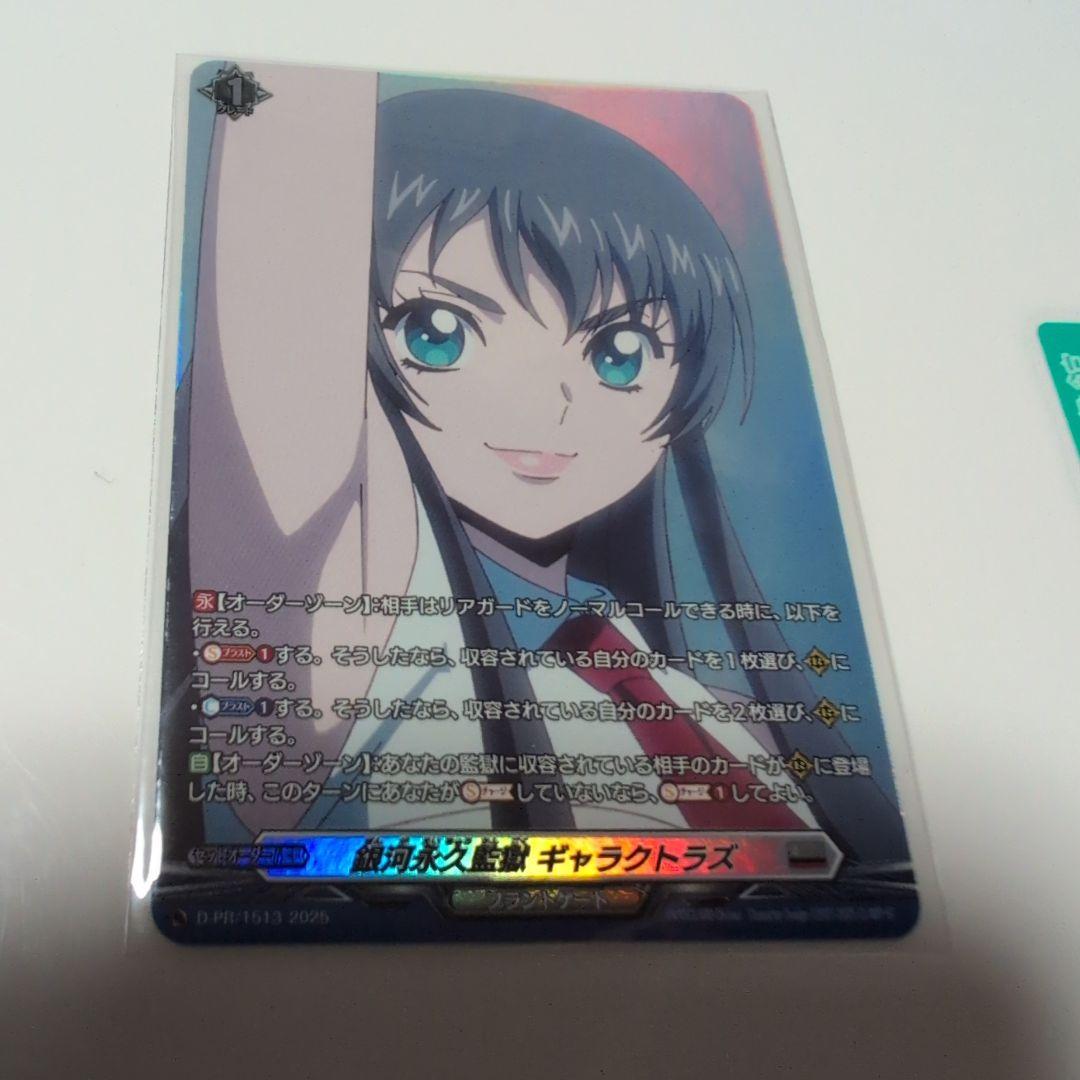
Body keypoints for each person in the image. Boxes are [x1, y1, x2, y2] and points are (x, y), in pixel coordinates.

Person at [298, 88, 906, 860]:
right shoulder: (367, 669)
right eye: (439, 333)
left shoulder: (681, 690)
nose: (551, 408)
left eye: (620, 353)